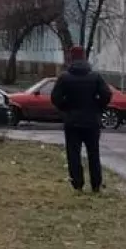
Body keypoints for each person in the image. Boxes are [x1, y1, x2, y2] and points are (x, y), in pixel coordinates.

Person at [49, 45, 112, 193]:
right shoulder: (95, 77)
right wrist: (97, 107)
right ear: (84, 58)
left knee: (73, 154)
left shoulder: (65, 77)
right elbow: (107, 95)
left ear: (71, 58)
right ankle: (96, 185)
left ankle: (77, 184)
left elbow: (55, 98)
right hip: (92, 121)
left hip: (72, 122)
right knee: (93, 154)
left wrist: (66, 109)